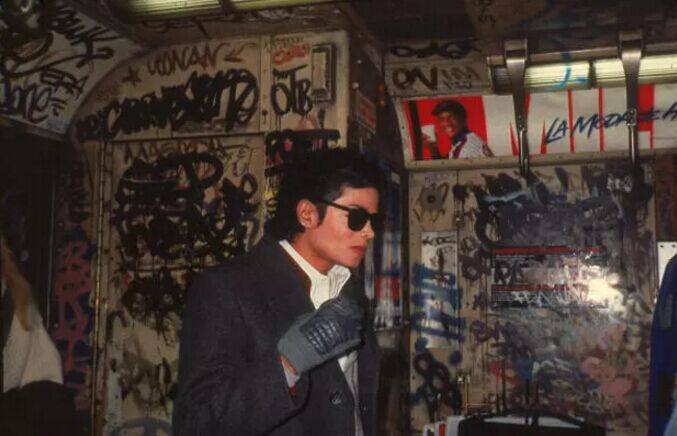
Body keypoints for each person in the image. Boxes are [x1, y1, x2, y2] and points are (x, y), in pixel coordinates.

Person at [173, 148, 384, 435]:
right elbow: (196, 423)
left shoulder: (350, 291)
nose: (370, 232)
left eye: (374, 220)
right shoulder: (228, 288)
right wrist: (288, 363)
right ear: (307, 214)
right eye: (357, 218)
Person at [421, 99, 494, 159]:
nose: (446, 123)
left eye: (452, 118)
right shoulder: (461, 142)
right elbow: (448, 167)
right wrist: (433, 149)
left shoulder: (468, 147)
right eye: (442, 119)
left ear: (463, 119)